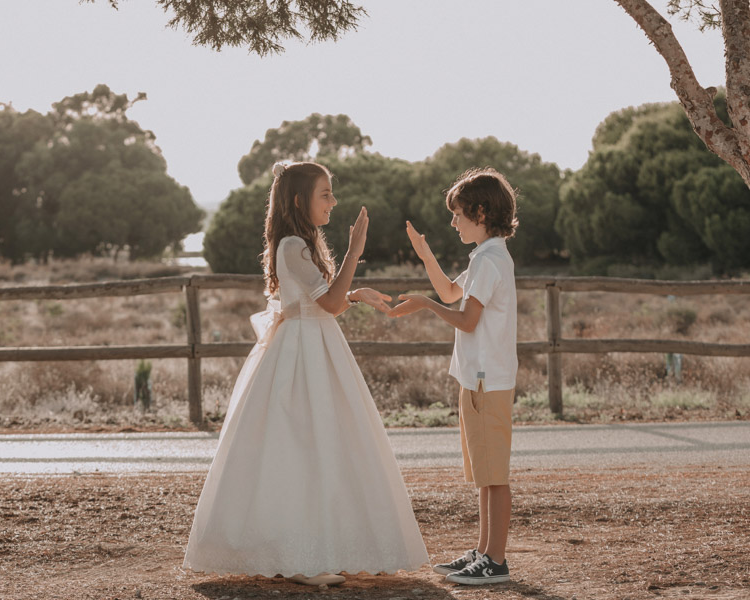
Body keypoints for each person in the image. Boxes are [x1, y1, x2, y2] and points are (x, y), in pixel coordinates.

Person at [183, 161, 429, 586]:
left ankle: (321, 548)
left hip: (314, 344)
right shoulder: (292, 245)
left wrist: (354, 294)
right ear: (299, 200)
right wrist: (354, 250)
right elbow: (326, 306)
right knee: (297, 445)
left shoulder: (300, 244)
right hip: (301, 354)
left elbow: (324, 300)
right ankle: (297, 558)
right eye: (325, 194)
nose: (333, 202)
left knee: (324, 446)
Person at [390, 167, 518, 585]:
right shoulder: (485, 256)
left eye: (458, 213)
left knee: (493, 476)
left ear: (481, 212)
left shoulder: (491, 259)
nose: (453, 221)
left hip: (486, 381)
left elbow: (464, 319)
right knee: (484, 473)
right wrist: (426, 256)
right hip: (477, 380)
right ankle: (483, 552)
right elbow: (451, 292)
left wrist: (425, 304)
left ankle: (494, 562)